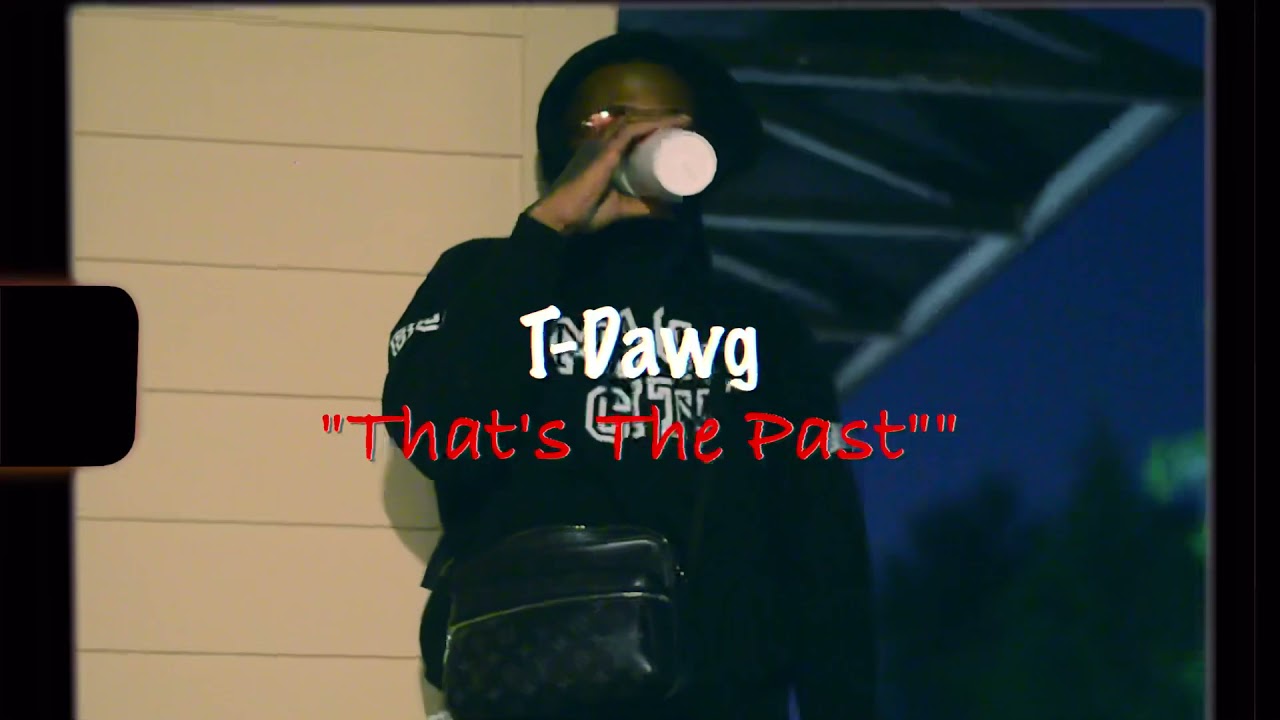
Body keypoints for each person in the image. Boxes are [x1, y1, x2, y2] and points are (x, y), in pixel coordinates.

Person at [382, 30, 876, 720]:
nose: (636, 137)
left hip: (719, 701)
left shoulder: (760, 325)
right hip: (524, 693)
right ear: (565, 146)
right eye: (608, 119)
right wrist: (545, 232)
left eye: (667, 120)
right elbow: (436, 433)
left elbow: (823, 544)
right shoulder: (485, 278)